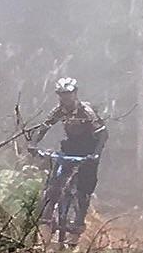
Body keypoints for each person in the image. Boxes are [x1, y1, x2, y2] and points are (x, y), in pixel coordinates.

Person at [28, 76, 106, 243]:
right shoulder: (59, 110)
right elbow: (45, 126)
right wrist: (34, 144)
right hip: (70, 148)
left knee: (84, 188)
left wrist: (96, 154)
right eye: (62, 95)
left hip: (89, 150)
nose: (65, 98)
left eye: (68, 94)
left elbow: (102, 134)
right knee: (56, 179)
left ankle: (77, 225)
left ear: (75, 94)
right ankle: (48, 213)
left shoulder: (86, 111)